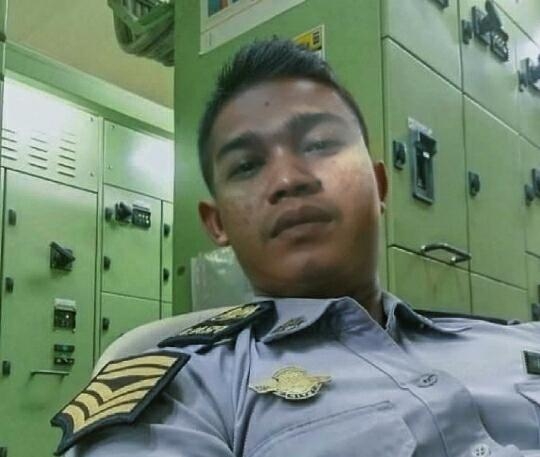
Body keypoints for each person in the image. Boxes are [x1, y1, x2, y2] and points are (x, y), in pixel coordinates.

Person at [53, 38, 540, 457]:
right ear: (217, 223)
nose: (288, 179)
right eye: (247, 166)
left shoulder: (516, 341)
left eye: (320, 144)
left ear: (379, 186)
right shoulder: (187, 388)